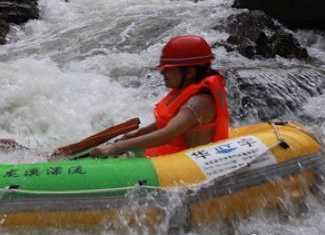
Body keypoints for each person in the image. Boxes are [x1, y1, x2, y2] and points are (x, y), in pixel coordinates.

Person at [90, 35, 230, 158]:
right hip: (176, 155)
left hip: (191, 162)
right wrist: (136, 134)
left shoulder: (198, 102)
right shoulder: (186, 90)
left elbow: (167, 134)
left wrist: (114, 147)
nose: (162, 72)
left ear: (190, 72)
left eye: (168, 69)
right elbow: (169, 121)